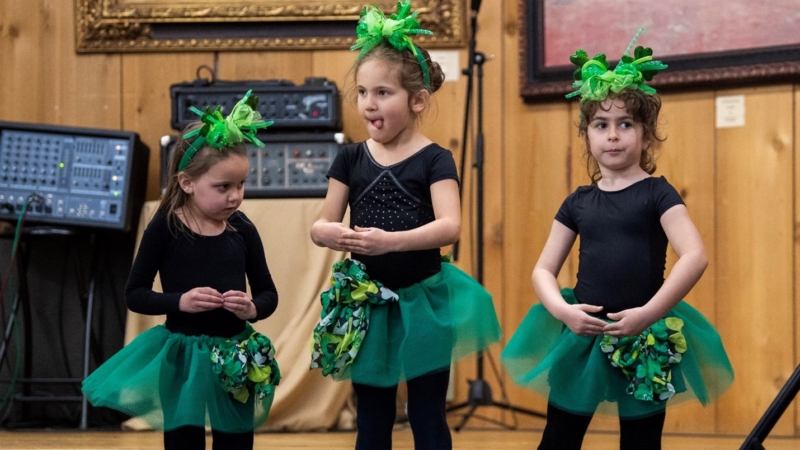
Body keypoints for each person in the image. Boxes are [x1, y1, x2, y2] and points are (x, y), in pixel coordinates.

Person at [500, 31, 734, 450]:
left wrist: (648, 313)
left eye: (625, 124)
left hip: (644, 337)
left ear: (645, 134)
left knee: (642, 443)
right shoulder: (578, 202)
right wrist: (563, 311)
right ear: (587, 135)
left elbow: (695, 255)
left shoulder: (657, 193)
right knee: (559, 439)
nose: (613, 135)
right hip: (583, 335)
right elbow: (542, 270)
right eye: (601, 125)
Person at [309, 2, 501, 449]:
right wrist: (331, 234)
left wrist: (391, 242)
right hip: (368, 305)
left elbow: (450, 226)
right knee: (372, 414)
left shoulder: (435, 159)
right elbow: (322, 224)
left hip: (423, 303)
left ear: (417, 100)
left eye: (382, 93)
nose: (368, 104)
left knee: (426, 411)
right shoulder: (350, 158)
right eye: (361, 92)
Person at [82, 91, 281, 450]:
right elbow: (135, 294)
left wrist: (252, 308)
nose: (235, 196)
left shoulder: (244, 229)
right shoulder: (164, 228)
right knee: (182, 442)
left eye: (241, 185)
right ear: (187, 183)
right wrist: (180, 302)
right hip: (182, 358)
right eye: (223, 187)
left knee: (236, 442)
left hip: (234, 356)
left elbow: (268, 294)